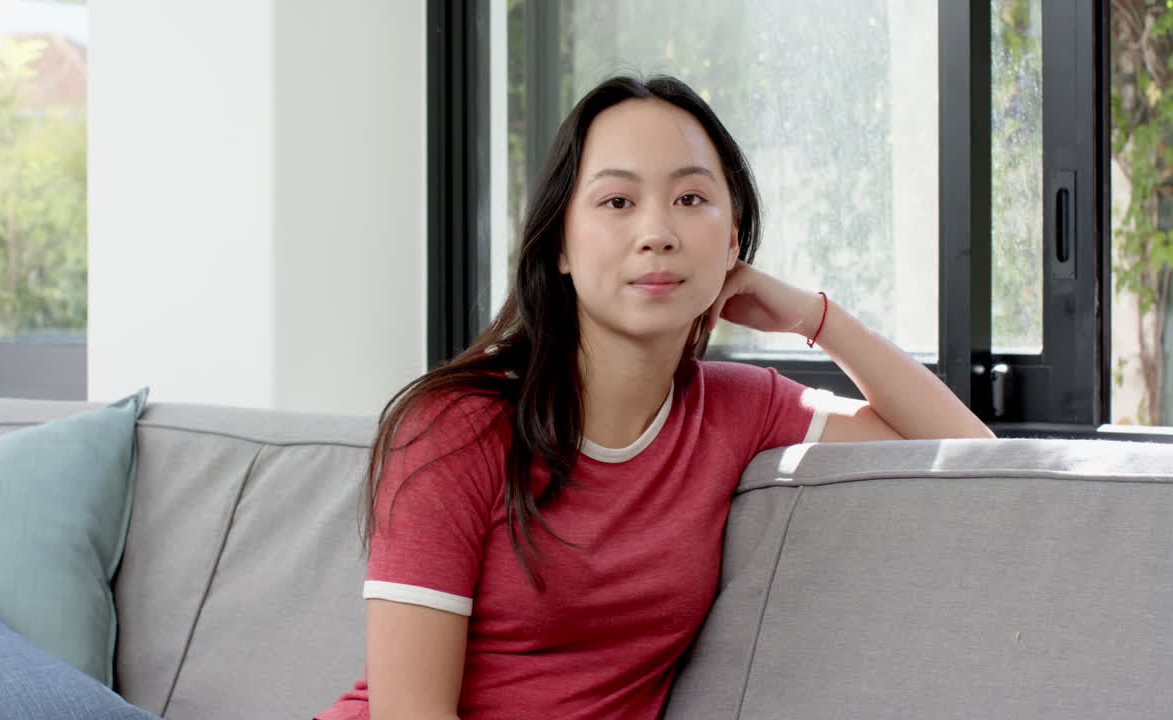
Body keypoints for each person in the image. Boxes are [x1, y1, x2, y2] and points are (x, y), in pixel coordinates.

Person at [313, 74, 993, 720]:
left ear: (732, 240)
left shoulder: (737, 408)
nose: (657, 233)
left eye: (691, 199)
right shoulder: (457, 427)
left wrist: (814, 317)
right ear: (560, 245)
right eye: (617, 201)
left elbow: (973, 455)